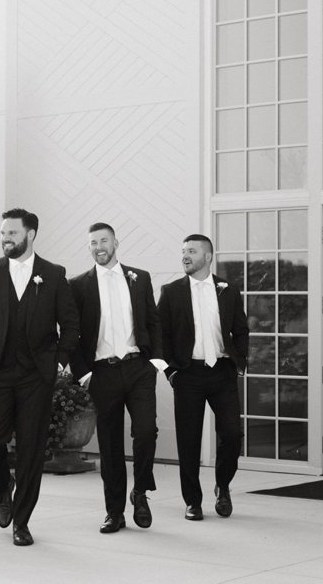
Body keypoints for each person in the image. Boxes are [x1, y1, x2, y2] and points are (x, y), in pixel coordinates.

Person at [0, 208, 80, 546]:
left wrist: (58, 362)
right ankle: (2, 488)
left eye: (11, 233)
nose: (5, 239)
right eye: (2, 234)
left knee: (31, 449)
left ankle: (22, 522)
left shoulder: (53, 275)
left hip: (35, 376)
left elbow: (71, 324)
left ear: (30, 235)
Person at [69, 222, 163, 534]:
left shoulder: (139, 278)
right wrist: (84, 374)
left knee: (146, 431)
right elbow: (71, 333)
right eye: (93, 243)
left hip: (138, 368)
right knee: (110, 445)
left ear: (116, 243)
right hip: (102, 373)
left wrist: (156, 361)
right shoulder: (77, 285)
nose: (99, 247)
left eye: (104, 241)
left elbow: (153, 321)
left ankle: (141, 491)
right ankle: (114, 512)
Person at [158, 234, 249, 521]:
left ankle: (223, 486)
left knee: (232, 435)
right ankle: (192, 501)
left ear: (208, 257)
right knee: (189, 441)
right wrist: (170, 371)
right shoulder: (171, 291)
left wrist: (240, 362)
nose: (185, 256)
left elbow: (241, 329)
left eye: (192, 251)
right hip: (188, 374)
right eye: (183, 251)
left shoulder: (228, 290)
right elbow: (160, 335)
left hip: (222, 372)